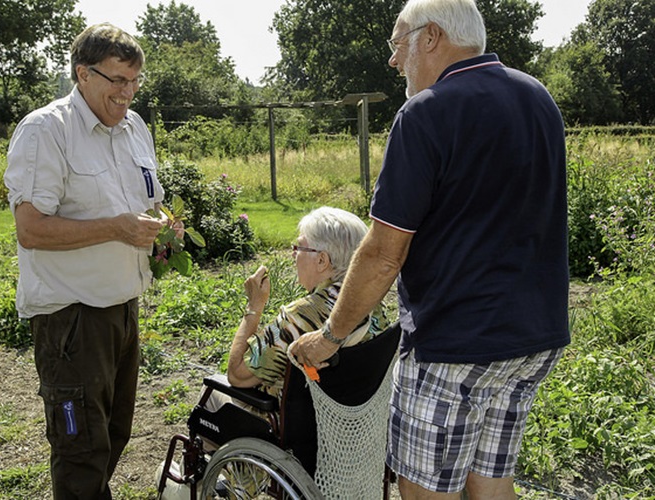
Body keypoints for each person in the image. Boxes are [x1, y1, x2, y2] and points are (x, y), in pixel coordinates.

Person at [290, 1, 570, 499]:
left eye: (398, 45)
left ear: (432, 37)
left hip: (455, 343)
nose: (395, 61)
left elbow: (382, 254)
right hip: (532, 337)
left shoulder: (426, 112)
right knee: (491, 482)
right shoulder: (537, 97)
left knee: (423, 491)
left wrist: (329, 337)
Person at [4, 23, 168, 499]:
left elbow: (145, 203)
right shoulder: (46, 131)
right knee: (80, 447)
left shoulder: (134, 128)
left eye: (135, 81)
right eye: (117, 80)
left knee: (113, 436)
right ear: (83, 75)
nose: (127, 93)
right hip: (71, 319)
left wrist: (164, 227)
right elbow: (31, 229)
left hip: (122, 309)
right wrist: (116, 227)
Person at [226, 206, 388, 398]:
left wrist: (254, 306)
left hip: (288, 422)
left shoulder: (301, 317)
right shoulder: (374, 306)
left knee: (210, 396)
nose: (294, 254)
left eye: (299, 247)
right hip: (354, 420)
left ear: (322, 260)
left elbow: (237, 375)